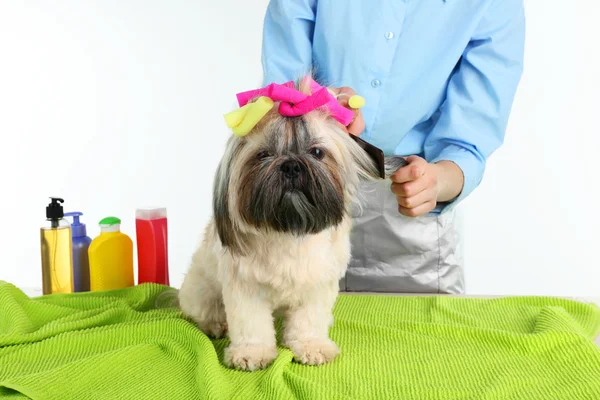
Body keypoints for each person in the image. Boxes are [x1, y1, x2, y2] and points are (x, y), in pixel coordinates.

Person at [260, 0, 525, 294]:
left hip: (409, 223)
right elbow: (280, 96)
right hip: (299, 206)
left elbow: (468, 142)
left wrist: (435, 181)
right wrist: (322, 105)